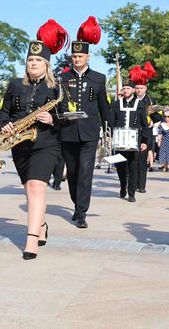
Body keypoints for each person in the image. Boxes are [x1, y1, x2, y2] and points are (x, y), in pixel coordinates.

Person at [0, 29, 65, 260]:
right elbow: (3, 112)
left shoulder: (56, 88)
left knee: (37, 186)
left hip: (46, 142)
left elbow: (67, 117)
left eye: (38, 60)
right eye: (30, 60)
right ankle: (41, 225)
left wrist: (52, 118)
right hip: (20, 143)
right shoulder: (15, 84)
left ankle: (31, 239)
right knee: (29, 190)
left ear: (46, 64)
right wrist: (4, 124)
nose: (33, 63)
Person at [59, 16, 111, 228]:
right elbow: (58, 102)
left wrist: (110, 129)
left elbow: (104, 106)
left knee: (86, 171)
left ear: (88, 57)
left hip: (90, 132)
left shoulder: (98, 78)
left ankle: (81, 212)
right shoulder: (62, 78)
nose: (77, 59)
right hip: (68, 131)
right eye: (74, 56)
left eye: (80, 56)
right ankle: (76, 203)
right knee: (72, 171)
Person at [112, 80, 150, 202]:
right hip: (119, 140)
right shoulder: (116, 104)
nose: (125, 90)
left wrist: (144, 141)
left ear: (133, 90)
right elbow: (112, 122)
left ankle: (131, 192)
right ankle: (123, 185)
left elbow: (145, 124)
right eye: (124, 88)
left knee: (133, 166)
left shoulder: (140, 104)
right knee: (120, 166)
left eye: (128, 88)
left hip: (135, 140)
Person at [131, 63, 162, 193]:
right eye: (137, 88)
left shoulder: (151, 100)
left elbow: (158, 115)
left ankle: (141, 185)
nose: (139, 90)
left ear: (145, 88)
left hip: (146, 133)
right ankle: (132, 182)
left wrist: (152, 121)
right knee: (133, 159)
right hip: (132, 133)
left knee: (143, 159)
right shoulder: (131, 100)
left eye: (141, 88)